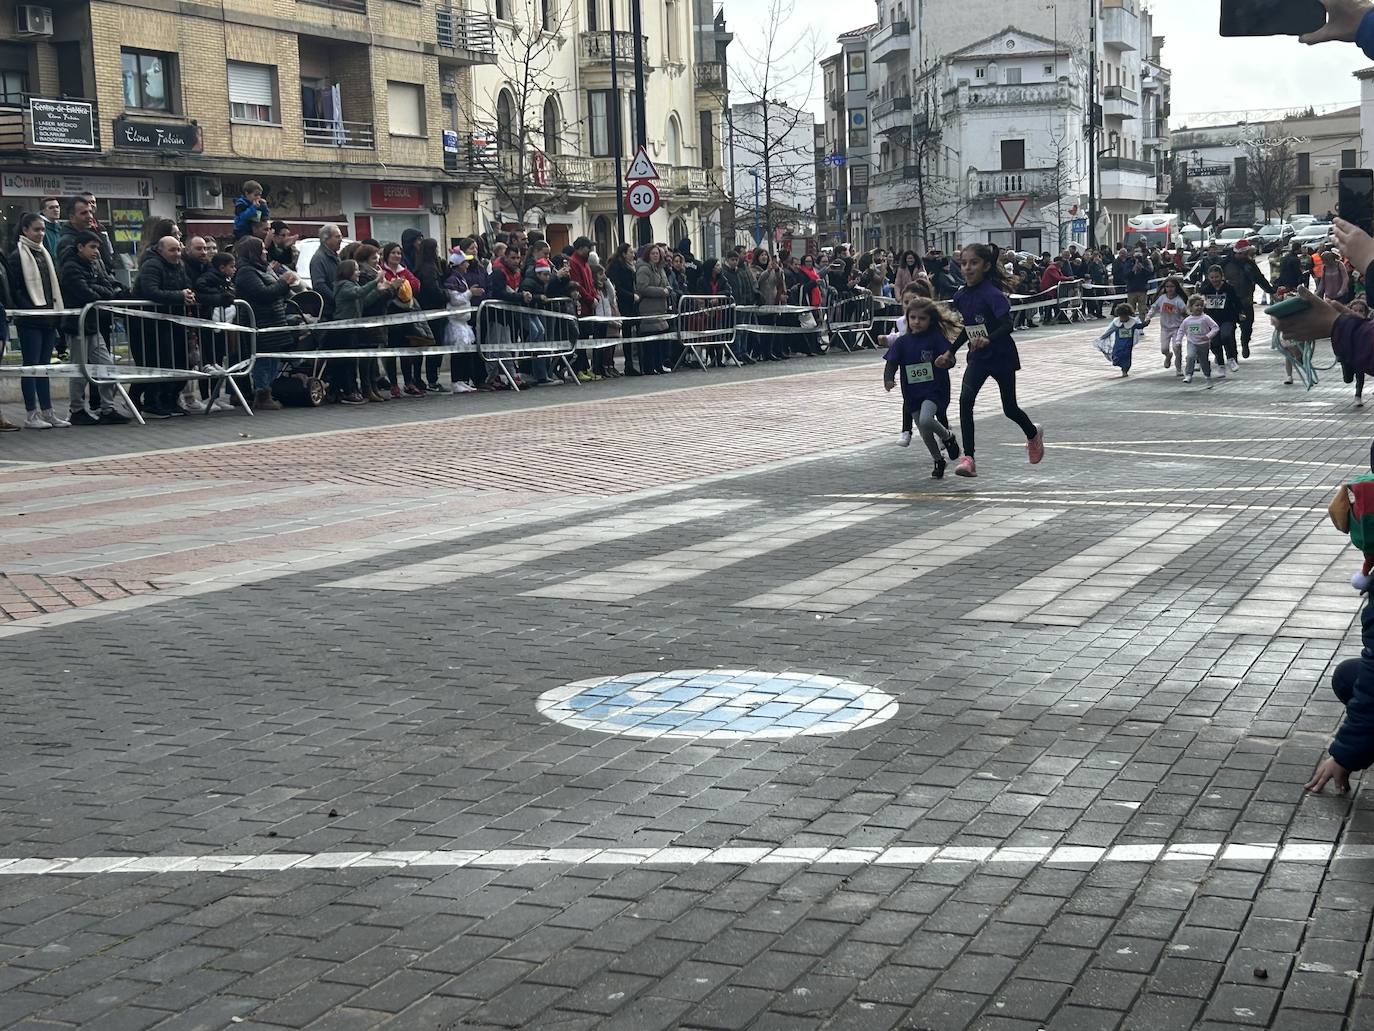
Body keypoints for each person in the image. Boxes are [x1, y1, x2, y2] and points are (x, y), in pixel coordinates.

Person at [939, 243, 1044, 478]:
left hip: (1001, 356)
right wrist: (951, 351)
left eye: (973, 263)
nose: (967, 268)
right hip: (978, 357)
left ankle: (1032, 433)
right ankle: (969, 458)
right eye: (964, 263)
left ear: (986, 266)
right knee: (965, 400)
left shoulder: (993, 294)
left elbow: (1008, 325)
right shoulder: (961, 295)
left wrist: (988, 338)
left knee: (1009, 408)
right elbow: (968, 327)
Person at [58, 229, 133, 425]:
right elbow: (85, 293)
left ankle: (107, 408)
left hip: (93, 323)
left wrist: (100, 290)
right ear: (80, 247)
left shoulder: (94, 265)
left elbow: (105, 286)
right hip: (77, 325)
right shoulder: (70, 266)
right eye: (92, 247)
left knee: (107, 366)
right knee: (79, 369)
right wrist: (100, 291)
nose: (96, 252)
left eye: (97, 247)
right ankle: (76, 409)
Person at [884, 297, 961, 479]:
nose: (917, 322)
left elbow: (950, 358)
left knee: (927, 420)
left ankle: (948, 436)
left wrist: (946, 361)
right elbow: (892, 362)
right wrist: (888, 379)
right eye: (913, 318)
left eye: (922, 318)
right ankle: (938, 460)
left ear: (931, 320)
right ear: (907, 319)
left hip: (934, 389)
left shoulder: (935, 338)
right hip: (912, 393)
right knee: (924, 431)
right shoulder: (902, 342)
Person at [8, 213, 70, 428]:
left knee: (44, 368)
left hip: (48, 318)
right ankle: (31, 414)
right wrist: (30, 308)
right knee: (31, 366)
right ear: (25, 230)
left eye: (43, 229)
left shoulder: (44, 253)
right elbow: (15, 290)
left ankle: (48, 411)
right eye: (36, 229)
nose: (41, 233)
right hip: (30, 320)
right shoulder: (17, 256)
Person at [132, 235, 196, 418]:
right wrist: (179, 296)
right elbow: (151, 291)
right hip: (150, 324)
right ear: (160, 251)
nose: (177, 253)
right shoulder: (151, 266)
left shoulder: (180, 265)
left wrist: (188, 294)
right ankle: (152, 402)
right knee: (159, 362)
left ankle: (170, 399)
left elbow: (186, 285)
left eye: (178, 249)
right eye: (172, 250)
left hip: (174, 320)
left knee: (180, 362)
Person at [234, 235, 299, 411]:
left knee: (273, 359)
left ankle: (267, 390)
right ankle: (262, 393)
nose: (265, 251)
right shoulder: (246, 272)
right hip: (259, 322)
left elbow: (276, 291)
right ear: (252, 252)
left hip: (274, 320)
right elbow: (263, 293)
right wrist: (283, 283)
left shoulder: (264, 268)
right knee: (263, 360)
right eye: (261, 248)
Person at [334, 256, 398, 403]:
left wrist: (379, 290)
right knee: (349, 363)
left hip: (354, 328)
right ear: (347, 271)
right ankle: (351, 391)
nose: (358, 272)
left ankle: (364, 389)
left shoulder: (352, 285)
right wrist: (375, 282)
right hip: (344, 329)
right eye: (356, 270)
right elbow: (359, 292)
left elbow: (365, 300)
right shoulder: (344, 285)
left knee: (357, 361)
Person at [1224, 241, 1276, 358]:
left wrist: (1271, 292)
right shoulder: (1225, 264)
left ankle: (1245, 343)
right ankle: (1232, 354)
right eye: (1245, 253)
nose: (1247, 256)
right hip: (1230, 302)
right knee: (1229, 328)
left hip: (1245, 299)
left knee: (1247, 326)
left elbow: (1260, 279)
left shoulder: (1249, 264)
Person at [635, 244, 673, 375]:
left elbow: (667, 284)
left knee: (659, 340)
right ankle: (649, 367)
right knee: (649, 341)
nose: (656, 256)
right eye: (653, 253)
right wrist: (662, 291)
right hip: (648, 309)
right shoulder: (644, 269)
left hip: (660, 310)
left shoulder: (660, 269)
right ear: (648, 255)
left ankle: (659, 365)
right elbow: (642, 288)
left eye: (657, 253)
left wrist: (668, 289)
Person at [1147, 276, 1189, 375]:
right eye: (1167, 286)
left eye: (1172, 286)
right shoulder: (1162, 298)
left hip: (1177, 328)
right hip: (1165, 328)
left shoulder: (1179, 300)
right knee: (1164, 349)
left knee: (1177, 348)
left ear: (1176, 287)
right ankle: (1168, 356)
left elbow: (1185, 312)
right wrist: (1148, 318)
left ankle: (1178, 369)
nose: (1169, 289)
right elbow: (1154, 308)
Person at [1094, 303, 1149, 377]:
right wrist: (1102, 337)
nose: (1122, 319)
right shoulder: (1117, 323)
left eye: (1124, 317)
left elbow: (1140, 326)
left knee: (1126, 358)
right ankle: (1116, 362)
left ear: (1128, 315)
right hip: (1118, 344)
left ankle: (1125, 370)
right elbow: (1110, 330)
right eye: (1121, 317)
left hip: (1128, 345)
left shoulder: (1132, 323)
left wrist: (1146, 323)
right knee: (1116, 355)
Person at [1175, 294, 1218, 388]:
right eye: (1196, 305)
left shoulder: (1205, 318)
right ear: (1190, 307)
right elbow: (1181, 331)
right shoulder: (1187, 320)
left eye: (1201, 305)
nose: (1199, 307)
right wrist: (1178, 341)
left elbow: (1215, 328)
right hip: (1192, 343)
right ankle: (1189, 374)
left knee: (1204, 362)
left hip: (1204, 344)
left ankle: (1208, 377)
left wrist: (1208, 336)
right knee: (1190, 356)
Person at [39, 196, 61, 261]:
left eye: (57, 207)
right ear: (43, 211)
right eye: (51, 208)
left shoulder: (61, 228)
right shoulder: (40, 230)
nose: (56, 210)